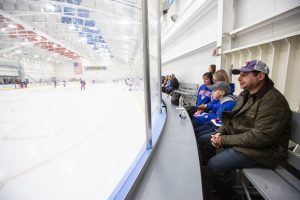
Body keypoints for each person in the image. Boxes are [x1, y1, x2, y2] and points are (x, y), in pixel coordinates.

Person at [198, 60, 292, 200]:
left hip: (265, 151)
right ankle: (218, 181)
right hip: (246, 141)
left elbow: (260, 137)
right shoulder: (246, 94)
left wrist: (223, 140)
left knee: (215, 165)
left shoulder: (274, 101)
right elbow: (230, 118)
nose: (239, 78)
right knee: (204, 140)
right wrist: (219, 133)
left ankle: (230, 195)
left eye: (245, 74)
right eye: (239, 74)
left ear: (260, 76)